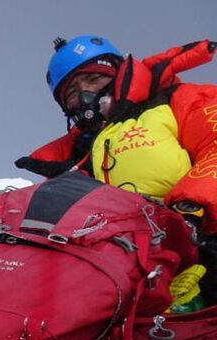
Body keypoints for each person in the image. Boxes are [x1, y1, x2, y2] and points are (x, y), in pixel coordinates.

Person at [16, 35, 217, 305]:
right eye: (72, 92)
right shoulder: (78, 155)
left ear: (117, 73)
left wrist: (190, 211)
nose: (85, 94)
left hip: (202, 239)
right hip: (124, 269)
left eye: (92, 79)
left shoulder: (174, 101)